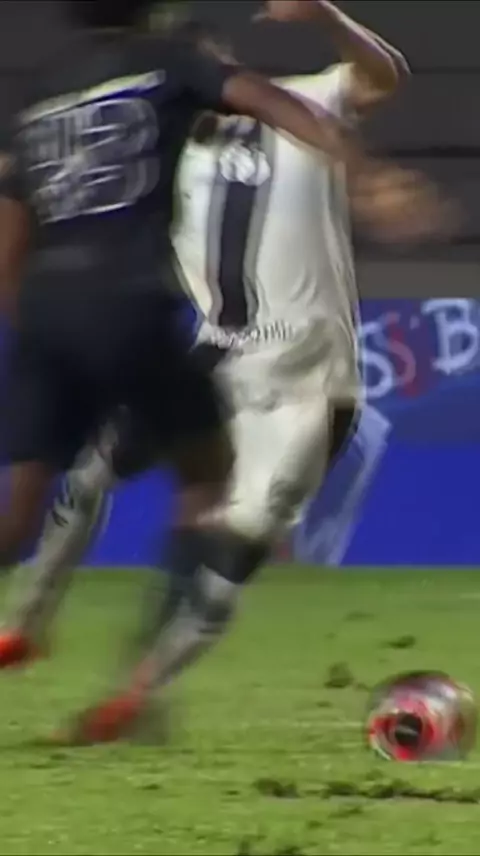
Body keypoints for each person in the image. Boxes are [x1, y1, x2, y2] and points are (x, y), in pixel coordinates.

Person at [0, 1, 450, 741]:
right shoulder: (163, 150)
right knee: (87, 476)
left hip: (307, 381)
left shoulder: (302, 101)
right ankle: (25, 621)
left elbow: (382, 76)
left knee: (234, 541)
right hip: (215, 356)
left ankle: (137, 694)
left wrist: (325, 16)